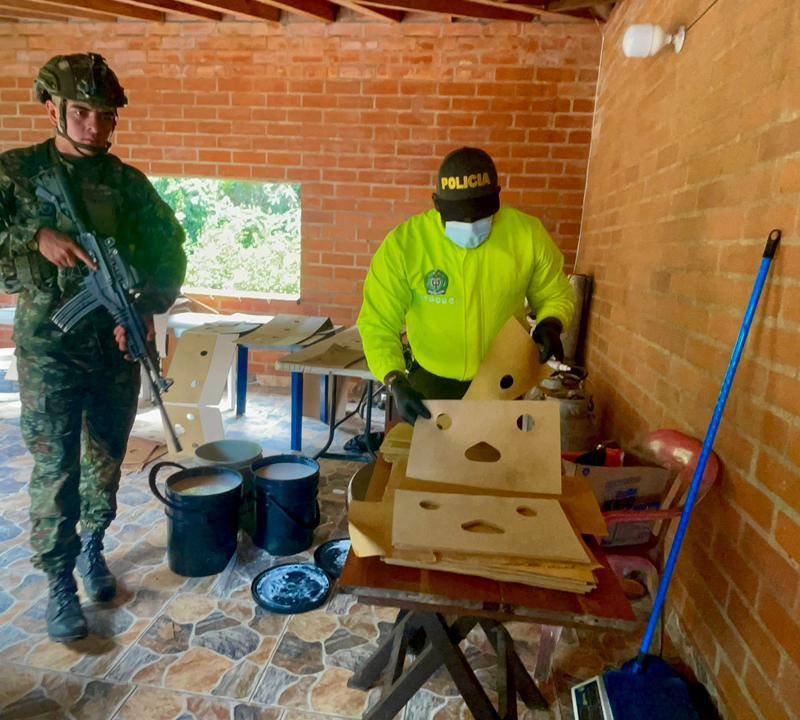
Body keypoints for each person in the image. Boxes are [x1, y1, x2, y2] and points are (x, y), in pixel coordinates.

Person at [0, 53, 186, 642]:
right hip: (48, 347)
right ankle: (58, 581)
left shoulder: (127, 185)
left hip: (113, 347)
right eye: (82, 113)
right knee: (56, 467)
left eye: (106, 117)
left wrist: (146, 307)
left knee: (105, 459)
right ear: (51, 107)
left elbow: (169, 247)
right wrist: (34, 237)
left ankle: (93, 551)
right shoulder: (16, 172)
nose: (95, 128)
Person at [357, 146, 575, 424]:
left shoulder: (526, 236)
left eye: (480, 216)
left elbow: (555, 293)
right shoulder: (406, 246)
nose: (471, 225)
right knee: (433, 465)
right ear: (437, 203)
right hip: (430, 384)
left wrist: (551, 323)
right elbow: (378, 321)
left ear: (497, 197)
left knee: (502, 463)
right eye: (459, 217)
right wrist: (393, 379)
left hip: (505, 384)